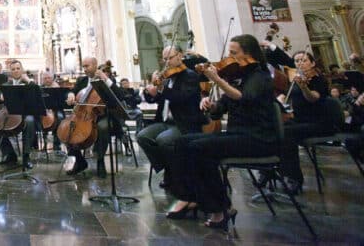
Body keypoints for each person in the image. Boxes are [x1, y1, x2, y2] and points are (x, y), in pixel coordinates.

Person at [165, 34, 276, 229]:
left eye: (234, 53)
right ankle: (190, 197)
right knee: (182, 142)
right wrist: (211, 105)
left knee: (199, 148)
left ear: (248, 54)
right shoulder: (237, 78)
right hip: (237, 135)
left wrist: (217, 79)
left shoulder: (260, 76)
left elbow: (244, 98)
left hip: (258, 138)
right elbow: (221, 108)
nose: (229, 57)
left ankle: (218, 207)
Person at [136, 46, 207, 187]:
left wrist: (162, 88)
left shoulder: (190, 75)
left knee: (164, 140)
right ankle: (170, 169)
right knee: (142, 136)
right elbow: (153, 100)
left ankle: (175, 175)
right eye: (164, 59)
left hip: (184, 123)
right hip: (165, 122)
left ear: (180, 56)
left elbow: (181, 98)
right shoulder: (167, 77)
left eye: (170, 58)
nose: (166, 62)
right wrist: (151, 92)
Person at [273, 51, 335, 194]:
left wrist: (304, 87)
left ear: (312, 63)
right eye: (296, 61)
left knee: (287, 132)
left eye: (304, 60)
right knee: (276, 128)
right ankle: (276, 170)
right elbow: (287, 95)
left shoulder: (319, 80)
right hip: (301, 121)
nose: (300, 63)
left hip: (320, 122)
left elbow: (313, 98)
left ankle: (294, 178)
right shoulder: (296, 79)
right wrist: (281, 98)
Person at [63, 56, 121, 178]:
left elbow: (120, 95)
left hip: (104, 115)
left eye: (87, 66)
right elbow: (72, 90)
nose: (84, 69)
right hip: (84, 116)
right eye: (83, 66)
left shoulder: (106, 79)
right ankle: (80, 162)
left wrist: (106, 79)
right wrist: (71, 94)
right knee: (68, 128)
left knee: (102, 127)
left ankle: (100, 160)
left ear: (95, 65)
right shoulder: (82, 81)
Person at [0, 60, 37, 169]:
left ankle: (26, 156)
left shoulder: (29, 82)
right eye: (13, 69)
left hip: (26, 113)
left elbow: (37, 93)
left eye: (18, 68)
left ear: (22, 69)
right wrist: (0, 97)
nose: (16, 71)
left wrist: (28, 81)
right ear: (10, 71)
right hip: (11, 115)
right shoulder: (6, 84)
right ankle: (9, 154)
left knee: (30, 121)